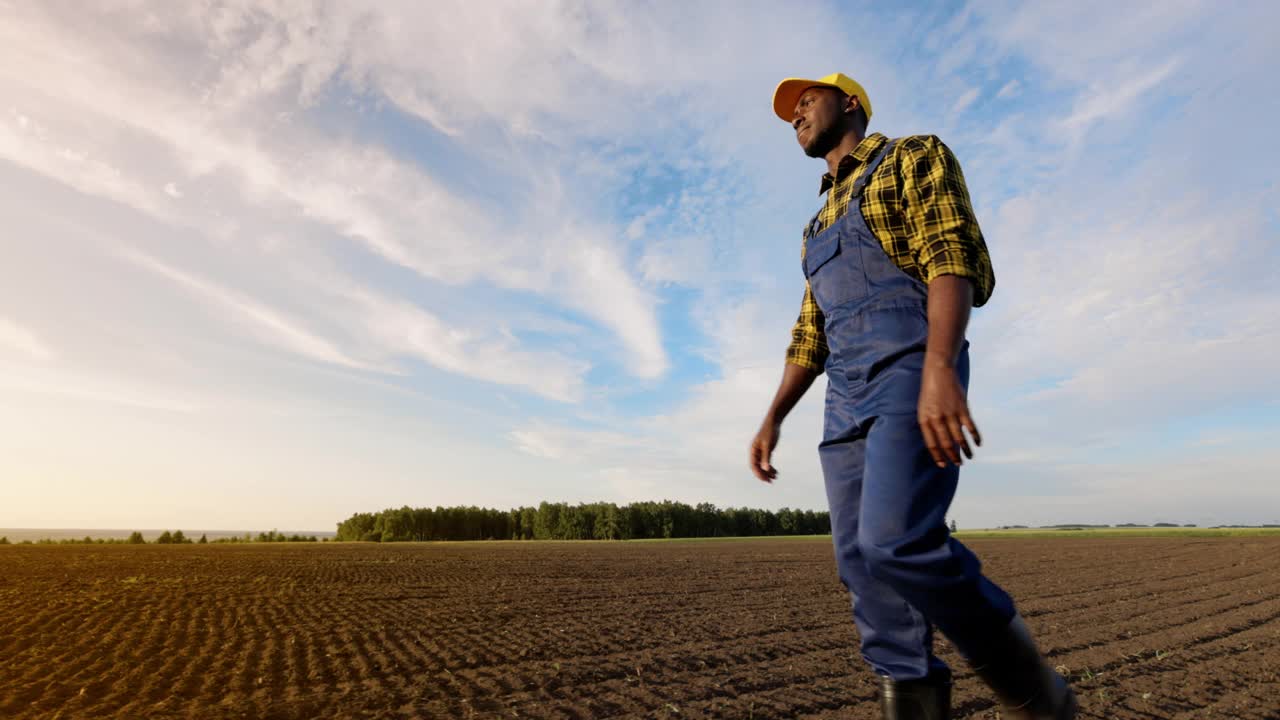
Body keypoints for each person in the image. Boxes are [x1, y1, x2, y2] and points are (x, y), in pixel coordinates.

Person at [749, 73, 1077, 720]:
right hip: (843, 395)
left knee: (896, 540)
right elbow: (810, 335)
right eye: (789, 113)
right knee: (861, 568)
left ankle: (1039, 698)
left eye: (806, 101)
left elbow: (950, 252)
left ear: (850, 103)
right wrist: (772, 416)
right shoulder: (815, 225)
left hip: (908, 362)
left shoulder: (911, 156)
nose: (795, 116)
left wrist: (939, 366)